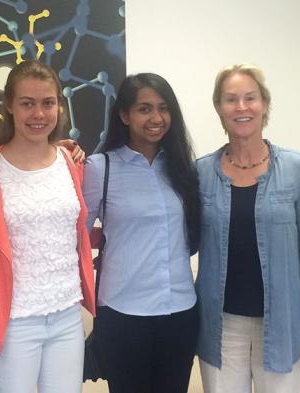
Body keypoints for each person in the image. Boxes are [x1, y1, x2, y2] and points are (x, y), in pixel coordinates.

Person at [195, 64, 300, 393]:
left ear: (265, 104)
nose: (241, 107)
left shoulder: (295, 169)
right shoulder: (201, 173)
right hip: (221, 325)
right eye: (231, 99)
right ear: (219, 108)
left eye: (250, 98)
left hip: (282, 322)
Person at [0, 59, 96, 393]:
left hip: (67, 315)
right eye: (27, 103)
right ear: (10, 106)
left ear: (59, 105)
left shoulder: (69, 161)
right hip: (14, 322)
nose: (38, 114)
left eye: (48, 103)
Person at [82, 73, 201, 393]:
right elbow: (76, 237)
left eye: (163, 108)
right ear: (124, 115)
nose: (157, 118)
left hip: (180, 311)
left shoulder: (181, 168)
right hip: (123, 314)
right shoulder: (99, 168)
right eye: (144, 109)